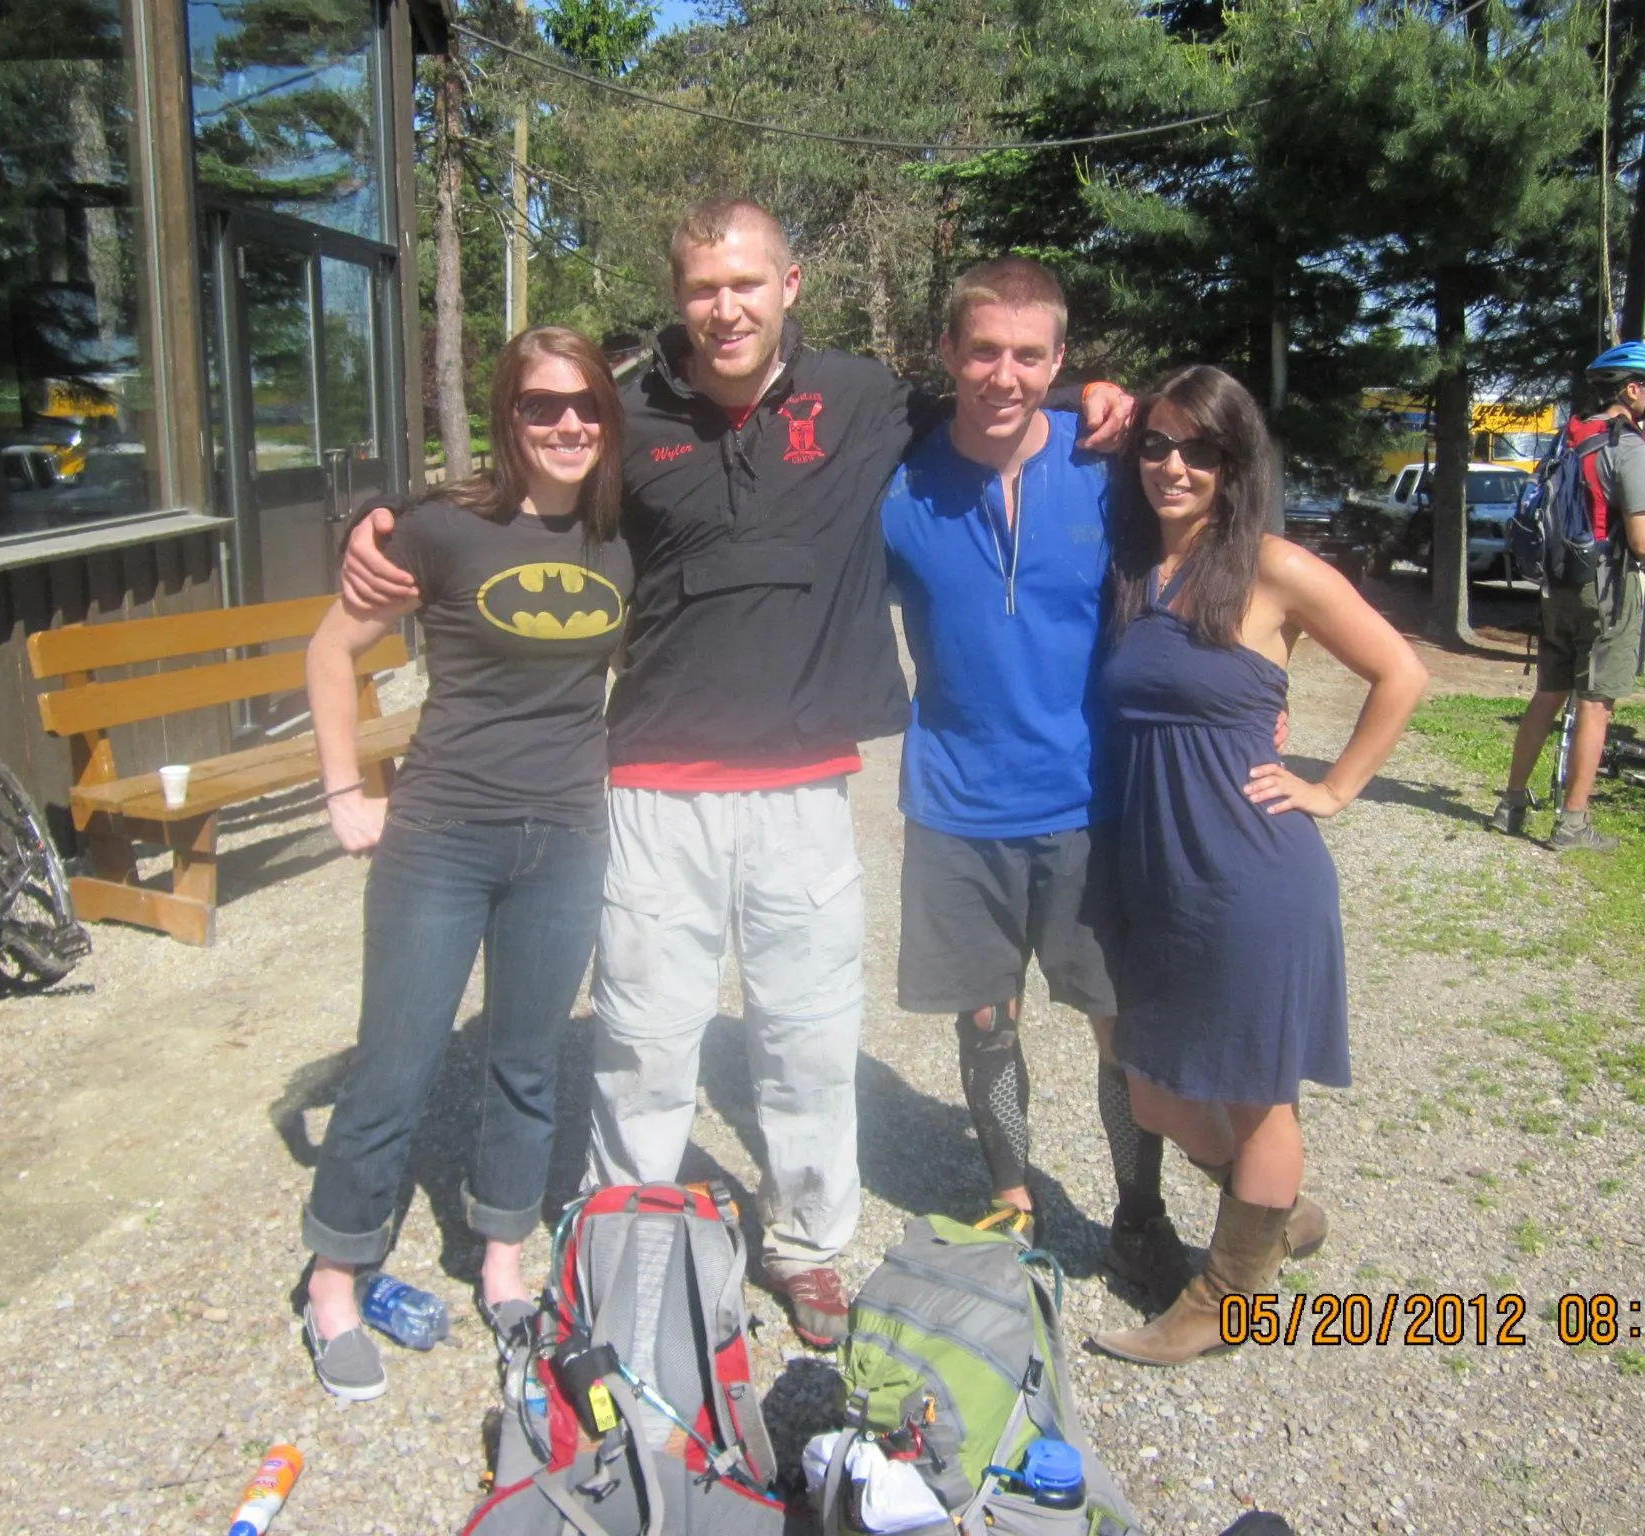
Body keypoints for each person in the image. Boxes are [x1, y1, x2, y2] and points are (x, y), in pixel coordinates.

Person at [340, 198, 1134, 1348]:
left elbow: (991, 395)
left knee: (805, 1041)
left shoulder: (860, 397)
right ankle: (627, 1242)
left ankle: (808, 1245)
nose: (726, 308)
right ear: (679, 299)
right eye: (705, 287)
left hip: (802, 789)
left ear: (789, 287)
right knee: (644, 1042)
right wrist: (388, 522)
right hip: (655, 785)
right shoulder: (623, 412)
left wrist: (1095, 395)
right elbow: (525, 480)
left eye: (746, 285)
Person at [296, 326, 633, 1401]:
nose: (567, 423)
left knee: (527, 1065)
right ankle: (335, 1277)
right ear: (509, 417)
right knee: (394, 1064)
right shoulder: (444, 529)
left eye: (584, 404)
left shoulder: (628, 534)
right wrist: (346, 790)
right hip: (440, 835)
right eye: (541, 406)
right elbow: (329, 648)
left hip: (566, 837)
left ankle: (500, 1261)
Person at [1089, 365, 1427, 1367]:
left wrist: (1331, 788)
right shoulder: (1133, 568)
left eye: (1199, 449)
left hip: (1249, 876)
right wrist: (1088, 393)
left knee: (1258, 1095)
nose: (1173, 465)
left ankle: (1227, 1296)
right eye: (1154, 444)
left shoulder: (1270, 565)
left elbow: (1399, 670)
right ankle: (1269, 1208)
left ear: (1236, 464)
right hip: (1159, 872)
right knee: (1154, 1092)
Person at [880, 256, 1194, 1299]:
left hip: (1086, 805)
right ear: (946, 354)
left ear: (1060, 361)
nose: (1001, 374)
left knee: (1118, 1024)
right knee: (984, 1018)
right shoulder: (900, 486)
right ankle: (1009, 1192)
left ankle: (1137, 1214)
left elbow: (1218, 529)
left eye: (1027, 355)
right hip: (955, 807)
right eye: (981, 350)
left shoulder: (1110, 465)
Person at [1489, 341, 1645, 851]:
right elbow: (1643, 542)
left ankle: (1510, 804)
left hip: (1558, 585)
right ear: (1634, 389)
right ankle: (1573, 825)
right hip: (1607, 590)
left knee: (1548, 695)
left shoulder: (1573, 434)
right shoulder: (1629, 448)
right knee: (1596, 705)